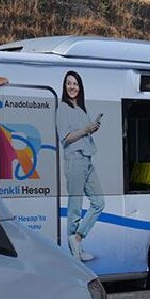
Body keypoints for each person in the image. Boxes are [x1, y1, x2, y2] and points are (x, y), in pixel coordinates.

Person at [57, 70, 105, 262]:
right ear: (65, 86)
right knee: (75, 207)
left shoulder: (81, 109)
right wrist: (86, 130)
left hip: (87, 159)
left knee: (99, 202)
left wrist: (92, 128)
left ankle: (78, 238)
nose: (72, 87)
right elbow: (66, 138)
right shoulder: (62, 108)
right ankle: (74, 252)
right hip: (74, 160)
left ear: (80, 87)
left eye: (75, 83)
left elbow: (82, 134)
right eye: (69, 83)